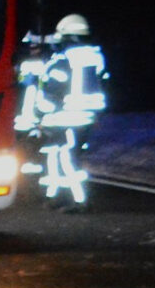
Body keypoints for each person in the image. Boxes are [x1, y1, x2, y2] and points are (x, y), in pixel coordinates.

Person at [15, 12, 108, 208]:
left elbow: (51, 94)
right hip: (85, 118)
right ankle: (56, 196)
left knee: (65, 157)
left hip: (65, 118)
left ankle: (79, 200)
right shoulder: (95, 58)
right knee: (58, 155)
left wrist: (39, 114)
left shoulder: (62, 62)